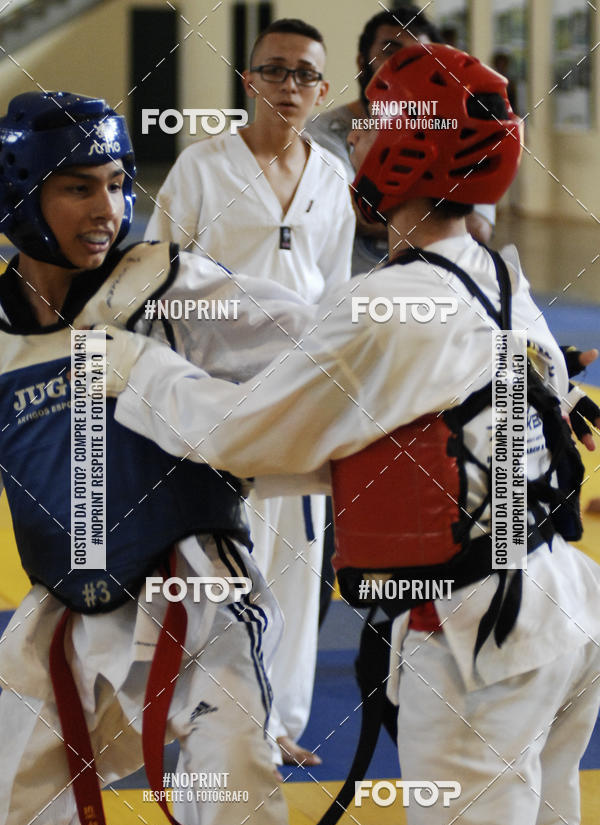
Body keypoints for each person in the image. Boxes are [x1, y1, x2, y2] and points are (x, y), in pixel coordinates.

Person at [107, 45, 600, 825]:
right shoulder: (499, 279)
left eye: (373, 123)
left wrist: (131, 372)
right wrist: (197, 288)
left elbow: (239, 433)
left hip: (478, 639)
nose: (358, 139)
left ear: (412, 150)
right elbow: (327, 343)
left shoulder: (389, 308)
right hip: (559, 618)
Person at [0, 90, 317, 825]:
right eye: (78, 187)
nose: (107, 208)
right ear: (20, 194)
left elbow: (329, 349)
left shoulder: (170, 287)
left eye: (116, 183)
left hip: (198, 595)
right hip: (65, 612)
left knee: (239, 819)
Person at [146, 17, 355, 767]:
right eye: (276, 70)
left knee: (298, 569)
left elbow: (338, 296)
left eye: (305, 74)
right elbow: (157, 284)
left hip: (303, 398)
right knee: (221, 565)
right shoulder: (201, 170)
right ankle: (212, 714)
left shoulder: (333, 180)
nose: (290, 85)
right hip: (219, 401)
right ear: (249, 80)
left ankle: (277, 721)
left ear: (322, 89)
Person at [305, 7, 498, 266]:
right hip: (351, 292)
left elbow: (479, 228)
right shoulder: (321, 133)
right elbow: (343, 212)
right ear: (362, 63)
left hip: (434, 290)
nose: (405, 66)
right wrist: (433, 212)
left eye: (420, 57)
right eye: (391, 52)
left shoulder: (453, 130)